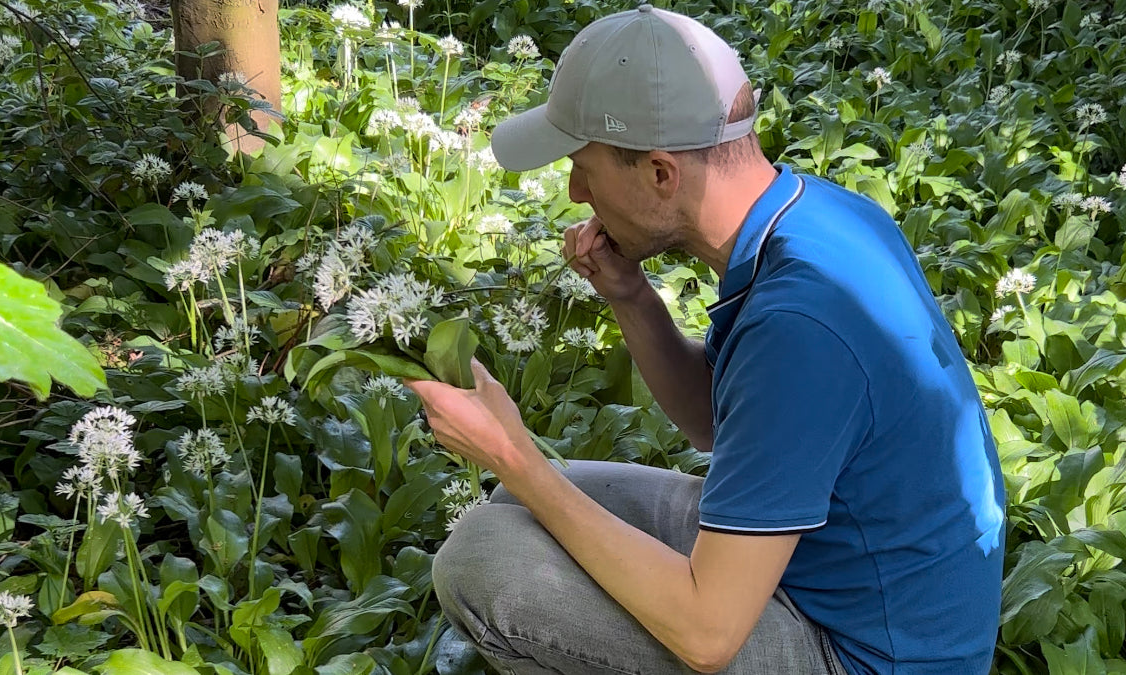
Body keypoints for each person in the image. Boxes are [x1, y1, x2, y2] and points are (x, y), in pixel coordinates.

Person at [404, 5, 1006, 674]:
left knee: (480, 559)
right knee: (520, 507)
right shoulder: (815, 216)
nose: (576, 192)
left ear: (662, 173)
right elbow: (716, 422)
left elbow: (707, 634)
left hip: (867, 654)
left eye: (584, 167)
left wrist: (516, 456)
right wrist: (631, 297)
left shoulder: (801, 322)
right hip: (832, 573)